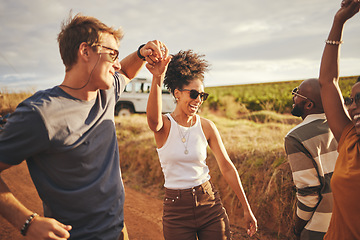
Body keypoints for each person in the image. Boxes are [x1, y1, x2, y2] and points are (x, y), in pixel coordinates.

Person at [0, 13, 166, 240]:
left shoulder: (105, 93)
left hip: (118, 231)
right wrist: (26, 222)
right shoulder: (39, 114)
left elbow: (126, 72)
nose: (117, 63)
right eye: (112, 54)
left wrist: (140, 53)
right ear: (85, 51)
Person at [145, 49, 257, 240]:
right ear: (177, 93)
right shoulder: (163, 125)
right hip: (176, 211)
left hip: (209, 205)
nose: (198, 100)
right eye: (194, 93)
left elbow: (227, 167)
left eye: (202, 96)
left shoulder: (207, 127)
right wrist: (157, 77)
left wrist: (247, 209)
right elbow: (152, 120)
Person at [318, 0, 360, 239]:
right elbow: (327, 81)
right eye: (351, 100)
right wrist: (338, 21)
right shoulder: (349, 140)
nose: (353, 107)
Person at [284, 78, 338, 239]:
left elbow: (309, 193)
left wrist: (298, 227)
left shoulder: (295, 137)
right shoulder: (343, 126)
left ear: (309, 105)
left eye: (297, 93)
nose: (294, 97)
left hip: (321, 227)